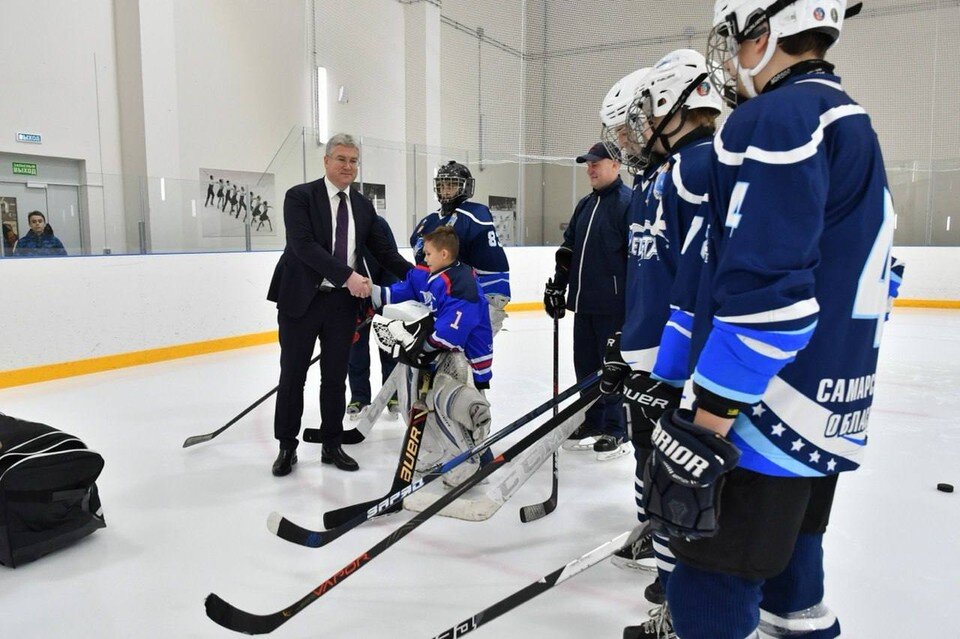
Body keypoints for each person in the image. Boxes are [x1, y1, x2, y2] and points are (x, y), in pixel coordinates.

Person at [626, 2, 892, 637]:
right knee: (794, 590)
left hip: (763, 412)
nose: (732, 54)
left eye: (739, 37)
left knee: (710, 585)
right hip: (821, 407)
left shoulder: (780, 119)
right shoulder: (846, 118)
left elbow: (768, 299)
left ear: (767, 33)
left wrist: (709, 420)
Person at [595, 50, 722, 608]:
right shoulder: (655, 178)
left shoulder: (696, 171)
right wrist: (627, 340)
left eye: (635, 121)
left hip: (678, 363)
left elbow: (696, 277)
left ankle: (678, 584)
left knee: (674, 470)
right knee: (649, 459)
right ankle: (658, 540)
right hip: (651, 352)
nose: (631, 135)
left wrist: (675, 366)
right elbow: (649, 271)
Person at [266, 133, 413, 477]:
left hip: (340, 306)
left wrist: (428, 277)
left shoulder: (362, 205)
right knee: (292, 376)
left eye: (353, 161)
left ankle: (332, 445)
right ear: (326, 161)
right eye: (341, 159)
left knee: (334, 378)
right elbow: (303, 246)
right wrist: (349, 276)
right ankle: (287, 446)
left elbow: (385, 253)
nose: (348, 166)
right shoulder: (300, 196)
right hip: (301, 300)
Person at [371, 226, 494, 486]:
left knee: (447, 405)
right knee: (416, 404)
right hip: (441, 353)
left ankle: (472, 460)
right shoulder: (430, 274)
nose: (423, 257)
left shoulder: (462, 282)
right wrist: (367, 295)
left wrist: (426, 345)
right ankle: (439, 452)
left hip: (464, 357)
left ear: (444, 253)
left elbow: (455, 328)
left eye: (428, 253)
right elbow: (400, 291)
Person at [544, 142, 631, 461]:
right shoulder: (584, 205)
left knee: (611, 368)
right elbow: (568, 250)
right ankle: (592, 422)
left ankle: (616, 428)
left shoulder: (627, 203)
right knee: (587, 369)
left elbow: (636, 260)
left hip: (614, 308)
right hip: (582, 306)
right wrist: (557, 285)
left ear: (616, 165)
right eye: (587, 164)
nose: (591, 168)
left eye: (597, 163)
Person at [411, 161, 511, 335]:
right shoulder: (427, 222)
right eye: (442, 185)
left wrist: (494, 299)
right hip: (433, 302)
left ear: (465, 187)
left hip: (463, 302)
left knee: (458, 359)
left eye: (452, 185)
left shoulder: (474, 216)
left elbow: (492, 262)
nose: (446, 190)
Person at [347, 214, 400, 420]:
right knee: (356, 350)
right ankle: (359, 397)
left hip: (381, 294)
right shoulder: (340, 225)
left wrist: (384, 295)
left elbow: (391, 258)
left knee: (389, 347)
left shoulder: (378, 224)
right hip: (352, 299)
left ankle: (392, 395)